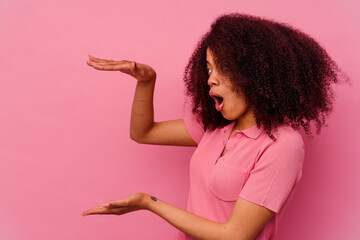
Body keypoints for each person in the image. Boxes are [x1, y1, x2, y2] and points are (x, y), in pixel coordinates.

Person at [82, 13, 344, 240]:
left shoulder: (282, 144)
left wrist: (147, 203)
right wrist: (146, 81)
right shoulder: (215, 128)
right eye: (209, 70)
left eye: (224, 68)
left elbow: (235, 235)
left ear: (256, 72)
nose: (211, 80)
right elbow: (143, 133)